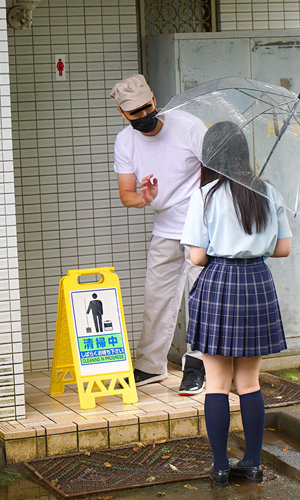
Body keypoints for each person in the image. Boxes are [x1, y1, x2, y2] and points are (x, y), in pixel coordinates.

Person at [180, 121, 292, 488]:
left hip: (219, 283)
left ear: (210, 156)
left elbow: (196, 257)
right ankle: (253, 464)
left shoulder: (206, 195)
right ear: (243, 152)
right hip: (257, 284)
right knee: (249, 382)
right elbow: (283, 248)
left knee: (216, 383)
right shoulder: (268, 192)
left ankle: (220, 467)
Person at [108, 74, 208, 395]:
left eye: (146, 106)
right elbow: (127, 194)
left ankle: (197, 366)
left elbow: (218, 165)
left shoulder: (187, 126)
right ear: (123, 114)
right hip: (164, 226)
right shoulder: (125, 141)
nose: (143, 115)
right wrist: (145, 198)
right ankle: (150, 367)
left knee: (200, 297)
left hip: (200, 226)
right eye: (134, 112)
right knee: (156, 295)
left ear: (154, 97)